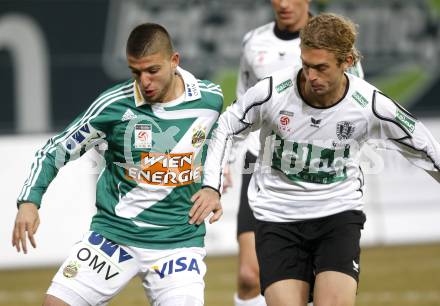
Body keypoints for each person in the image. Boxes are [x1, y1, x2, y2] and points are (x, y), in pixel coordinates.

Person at [190, 13, 440, 306]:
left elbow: (425, 147)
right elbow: (226, 127)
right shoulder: (272, 92)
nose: (311, 77)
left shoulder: (370, 104)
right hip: (278, 218)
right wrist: (211, 185)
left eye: (321, 68)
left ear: (347, 62)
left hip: (337, 215)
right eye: (306, 66)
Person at [12, 23, 223, 306]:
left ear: (174, 61)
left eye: (152, 70)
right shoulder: (114, 105)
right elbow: (56, 149)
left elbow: (226, 138)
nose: (144, 81)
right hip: (114, 236)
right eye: (135, 72)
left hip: (178, 242)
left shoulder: (210, 100)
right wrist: (29, 200)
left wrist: (214, 186)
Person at [231, 1, 363, 305]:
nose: (284, 4)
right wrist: (227, 160)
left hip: (316, 164)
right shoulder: (253, 41)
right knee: (250, 275)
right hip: (261, 161)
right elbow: (242, 100)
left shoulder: (333, 42)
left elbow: (357, 102)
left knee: (317, 286)